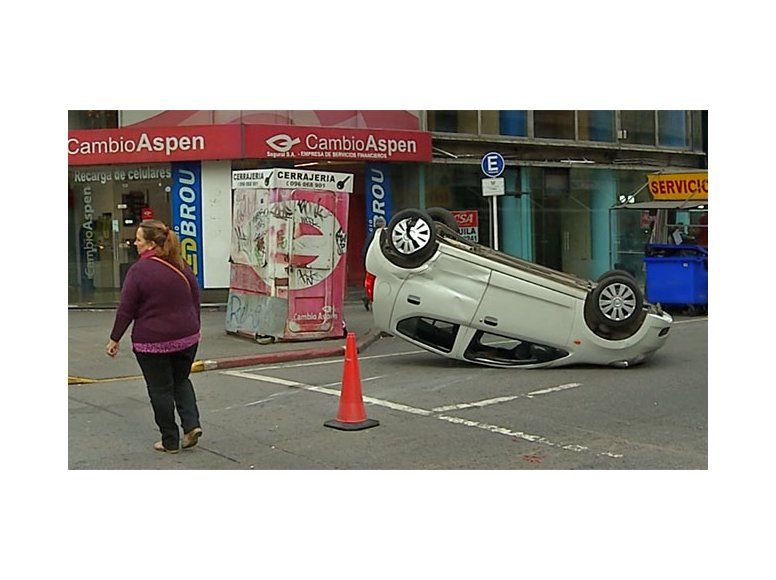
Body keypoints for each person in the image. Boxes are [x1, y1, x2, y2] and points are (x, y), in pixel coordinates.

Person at [106, 219, 203, 454]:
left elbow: (126, 308)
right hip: (187, 337)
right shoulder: (180, 265)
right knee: (181, 380)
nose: (135, 244)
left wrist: (114, 338)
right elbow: (195, 297)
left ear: (150, 244)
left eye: (138, 240)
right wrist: (194, 327)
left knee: (159, 390)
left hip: (153, 341)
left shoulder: (139, 270)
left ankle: (169, 441)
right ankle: (191, 425)